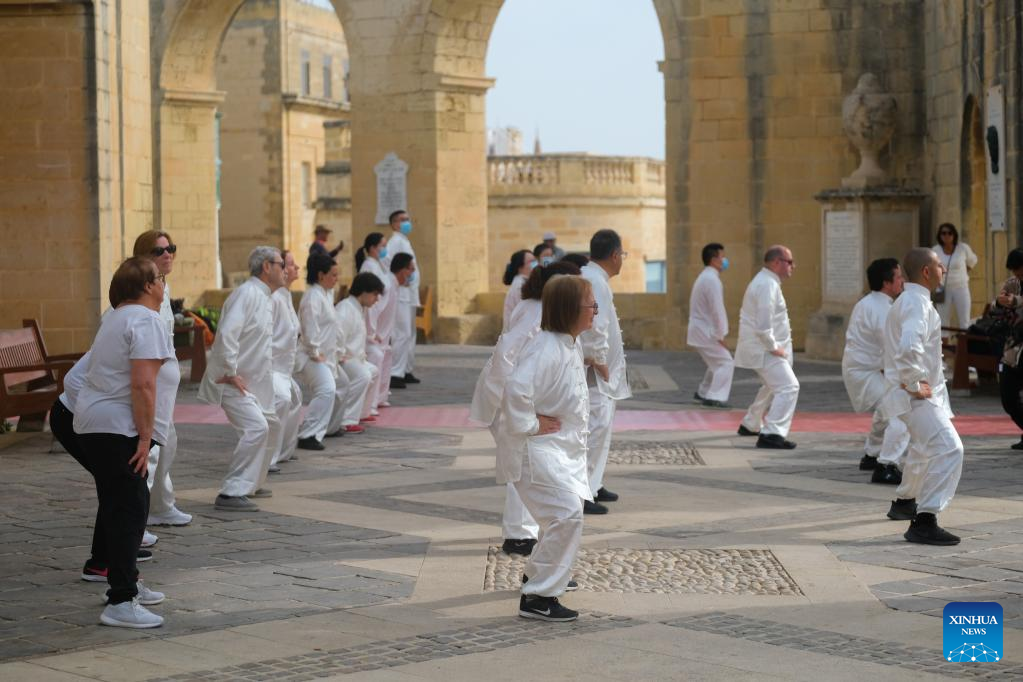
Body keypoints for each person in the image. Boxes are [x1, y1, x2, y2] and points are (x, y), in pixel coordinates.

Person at [72, 257, 178, 628]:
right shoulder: (146, 320)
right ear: (148, 286)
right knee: (130, 508)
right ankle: (121, 600)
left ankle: (126, 580)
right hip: (117, 427)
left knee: (124, 503)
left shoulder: (116, 316)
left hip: (95, 422)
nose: (164, 284)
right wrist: (146, 437)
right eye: (160, 278)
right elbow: (143, 384)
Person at [502, 275, 597, 622]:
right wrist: (531, 422)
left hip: (560, 450)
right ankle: (538, 597)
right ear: (571, 309)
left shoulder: (569, 343)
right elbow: (515, 389)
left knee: (564, 514)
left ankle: (538, 576)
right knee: (565, 513)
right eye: (591, 305)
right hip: (536, 450)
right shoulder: (546, 348)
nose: (596, 312)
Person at [471, 261, 582, 557]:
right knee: (524, 463)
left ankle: (525, 533)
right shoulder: (537, 313)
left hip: (509, 397)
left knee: (525, 465)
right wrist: (527, 416)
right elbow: (509, 357)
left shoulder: (536, 305)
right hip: (506, 398)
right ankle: (520, 535)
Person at [880, 247, 964, 545]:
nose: (944, 269)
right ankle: (925, 519)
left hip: (915, 394)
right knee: (950, 449)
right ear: (927, 272)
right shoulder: (916, 303)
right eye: (940, 265)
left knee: (922, 449)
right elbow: (907, 348)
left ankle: (905, 502)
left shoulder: (912, 300)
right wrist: (915, 383)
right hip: (914, 396)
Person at [199, 246, 285, 512]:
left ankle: (251, 484)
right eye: (281, 264)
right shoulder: (246, 294)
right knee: (256, 428)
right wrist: (230, 372)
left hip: (257, 383)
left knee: (269, 426)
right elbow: (227, 334)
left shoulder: (267, 297)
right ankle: (231, 492)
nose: (285, 270)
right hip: (234, 382)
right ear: (267, 266)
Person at [130, 231, 191, 528]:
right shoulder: (142, 292)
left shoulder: (163, 287)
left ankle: (161, 505)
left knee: (168, 443)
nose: (168, 255)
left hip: (166, 380)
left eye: (171, 249)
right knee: (151, 447)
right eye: (159, 251)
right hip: (153, 380)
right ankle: (135, 520)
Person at [842, 258, 910, 484]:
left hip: (863, 370)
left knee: (885, 411)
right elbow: (892, 348)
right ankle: (886, 465)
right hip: (865, 372)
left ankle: (871, 455)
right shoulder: (881, 308)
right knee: (901, 412)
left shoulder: (873, 303)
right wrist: (909, 379)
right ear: (886, 282)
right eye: (899, 276)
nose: (902, 281)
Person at [579, 229, 631, 514]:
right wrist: (599, 360)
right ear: (614, 255)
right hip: (596, 375)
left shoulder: (595, 278)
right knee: (595, 430)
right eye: (622, 255)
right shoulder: (595, 281)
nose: (622, 260)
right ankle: (583, 490)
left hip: (602, 373)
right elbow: (595, 325)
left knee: (602, 429)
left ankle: (594, 483)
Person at [735, 245, 799, 449]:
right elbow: (763, 326)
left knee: (772, 386)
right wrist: (774, 348)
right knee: (789, 387)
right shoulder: (767, 285)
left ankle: (751, 423)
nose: (793, 266)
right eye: (789, 262)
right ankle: (772, 434)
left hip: (766, 349)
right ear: (776, 262)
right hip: (764, 349)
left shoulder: (768, 282)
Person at [295, 253, 347, 450]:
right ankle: (308, 434)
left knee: (344, 385)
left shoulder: (326, 294)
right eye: (333, 275)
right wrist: (315, 351)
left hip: (328, 355)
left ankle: (330, 427)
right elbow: (309, 327)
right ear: (320, 275)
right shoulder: (312, 297)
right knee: (327, 389)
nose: (336, 279)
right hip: (310, 356)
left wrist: (339, 351)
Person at [335, 272, 385, 433]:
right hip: (342, 358)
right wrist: (340, 355)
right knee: (363, 376)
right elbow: (338, 335)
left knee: (373, 371)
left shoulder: (358, 308)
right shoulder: (345, 308)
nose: (376, 299)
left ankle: (362, 412)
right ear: (363, 292)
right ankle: (347, 419)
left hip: (355, 358)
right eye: (375, 294)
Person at [687, 243, 734, 408]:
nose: (725, 260)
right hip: (705, 331)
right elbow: (717, 311)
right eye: (722, 257)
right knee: (726, 363)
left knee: (715, 362)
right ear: (714, 260)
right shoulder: (712, 280)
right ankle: (715, 396)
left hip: (701, 330)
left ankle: (703, 392)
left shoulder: (706, 277)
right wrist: (721, 335)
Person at [268, 250, 303, 469]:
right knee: (282, 400)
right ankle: (268, 458)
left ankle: (284, 451)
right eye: (290, 264)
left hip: (285, 366)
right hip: (272, 366)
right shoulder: (273, 299)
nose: (295, 267)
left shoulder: (286, 295)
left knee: (295, 398)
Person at [382, 209, 421, 387]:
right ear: (394, 224)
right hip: (401, 293)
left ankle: (406, 369)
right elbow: (387, 262)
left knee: (410, 333)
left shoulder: (404, 240)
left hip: (409, 293)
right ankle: (395, 373)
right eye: (402, 220)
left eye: (408, 219)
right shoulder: (395, 241)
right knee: (401, 333)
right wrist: (400, 278)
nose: (407, 222)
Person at [357, 233, 393, 415]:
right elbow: (369, 298)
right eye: (382, 245)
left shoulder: (377, 264)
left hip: (380, 317)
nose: (385, 249)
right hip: (373, 318)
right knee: (376, 356)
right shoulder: (368, 266)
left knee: (383, 355)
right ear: (372, 247)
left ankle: (377, 398)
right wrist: (371, 331)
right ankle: (369, 404)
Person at [994, 249, 1023, 450]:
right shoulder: (1012, 283)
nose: (1018, 275)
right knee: (1008, 397)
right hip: (1012, 348)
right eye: (1016, 271)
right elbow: (997, 308)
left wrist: (1016, 302)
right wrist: (1000, 302)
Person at [932, 223, 978, 334]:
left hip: (961, 287)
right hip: (943, 288)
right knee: (943, 322)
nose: (946, 236)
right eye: (943, 233)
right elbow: (931, 266)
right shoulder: (935, 250)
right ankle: (945, 349)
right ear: (940, 235)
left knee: (964, 321)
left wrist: (963, 272)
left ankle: (964, 348)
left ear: (954, 235)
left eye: (949, 233)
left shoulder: (962, 248)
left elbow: (973, 260)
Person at [502, 249, 536, 333]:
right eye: (531, 261)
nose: (535, 264)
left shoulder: (523, 283)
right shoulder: (520, 287)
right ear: (520, 267)